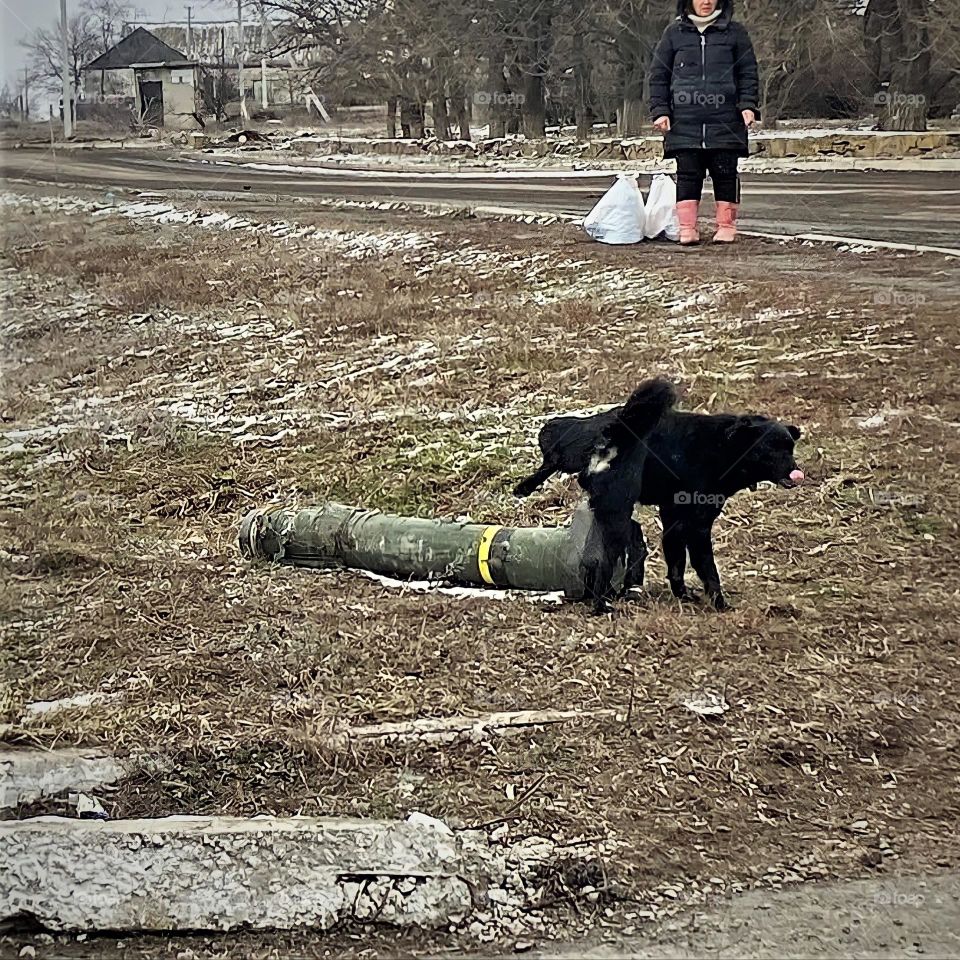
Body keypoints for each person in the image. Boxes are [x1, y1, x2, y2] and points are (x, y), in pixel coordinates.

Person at [648, 0, 760, 245]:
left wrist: (748, 105)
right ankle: (687, 228)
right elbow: (659, 76)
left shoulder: (735, 32)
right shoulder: (673, 34)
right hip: (684, 120)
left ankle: (726, 226)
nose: (706, 1)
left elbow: (748, 72)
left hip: (726, 119)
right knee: (688, 174)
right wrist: (660, 110)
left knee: (726, 173)